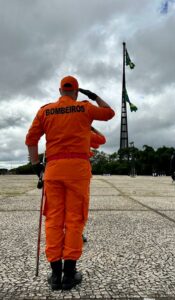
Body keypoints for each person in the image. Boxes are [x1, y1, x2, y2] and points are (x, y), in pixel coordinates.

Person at [25, 75, 115, 290]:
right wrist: (93, 96)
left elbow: (31, 140)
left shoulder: (45, 111)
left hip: (53, 171)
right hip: (77, 171)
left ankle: (55, 275)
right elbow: (109, 113)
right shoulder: (84, 108)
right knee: (75, 220)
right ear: (76, 91)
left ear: (59, 91)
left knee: (53, 220)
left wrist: (36, 165)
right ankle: (69, 274)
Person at [82, 127, 106, 243]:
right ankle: (76, 233)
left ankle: (60, 236)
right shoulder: (84, 130)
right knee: (78, 207)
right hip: (79, 171)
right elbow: (101, 139)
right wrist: (92, 128)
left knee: (58, 208)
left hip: (56, 170)